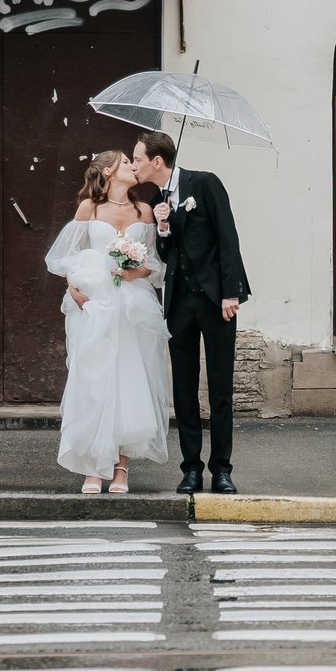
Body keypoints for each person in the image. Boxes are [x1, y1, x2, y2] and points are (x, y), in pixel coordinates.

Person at [130, 129, 249, 495]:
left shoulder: (206, 184)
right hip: (179, 304)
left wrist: (232, 293)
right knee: (183, 389)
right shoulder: (155, 199)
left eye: (136, 159)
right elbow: (167, 257)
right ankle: (191, 469)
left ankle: (222, 470)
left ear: (157, 161)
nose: (133, 165)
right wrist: (163, 227)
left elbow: (228, 237)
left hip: (216, 302)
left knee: (220, 388)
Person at [46, 151, 173, 494]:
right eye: (126, 162)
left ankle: (120, 468)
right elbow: (65, 257)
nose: (134, 166)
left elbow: (154, 264)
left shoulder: (143, 211)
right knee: (94, 379)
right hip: (97, 304)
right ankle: (92, 466)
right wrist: (72, 287)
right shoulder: (89, 208)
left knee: (128, 380)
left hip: (132, 304)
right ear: (108, 172)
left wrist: (133, 271)